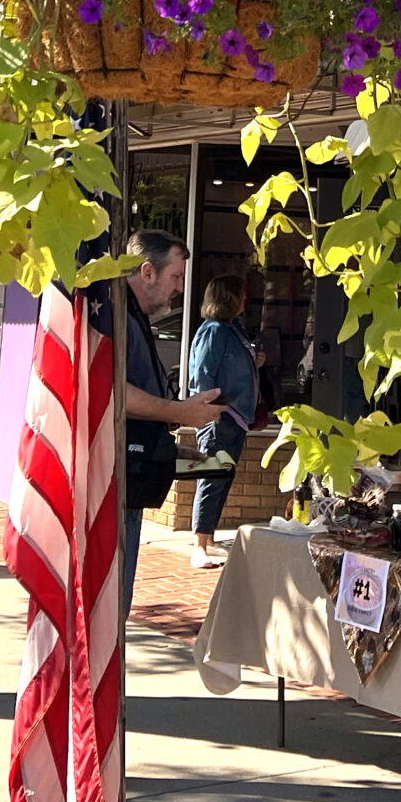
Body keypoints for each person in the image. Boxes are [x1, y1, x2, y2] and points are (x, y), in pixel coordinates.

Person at [110, 229, 220, 610]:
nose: (180, 289)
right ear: (147, 271)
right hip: (113, 483)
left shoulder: (135, 318)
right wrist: (180, 412)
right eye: (175, 277)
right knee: (109, 608)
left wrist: (174, 445)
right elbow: (114, 392)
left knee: (117, 606)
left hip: (133, 479)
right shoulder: (116, 314)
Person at [183, 273, 258, 568]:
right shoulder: (213, 330)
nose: (245, 299)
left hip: (234, 416)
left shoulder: (231, 330)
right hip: (219, 416)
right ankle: (199, 545)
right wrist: (209, 407)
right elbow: (202, 373)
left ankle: (208, 538)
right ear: (229, 297)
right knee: (212, 477)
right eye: (241, 293)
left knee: (221, 476)